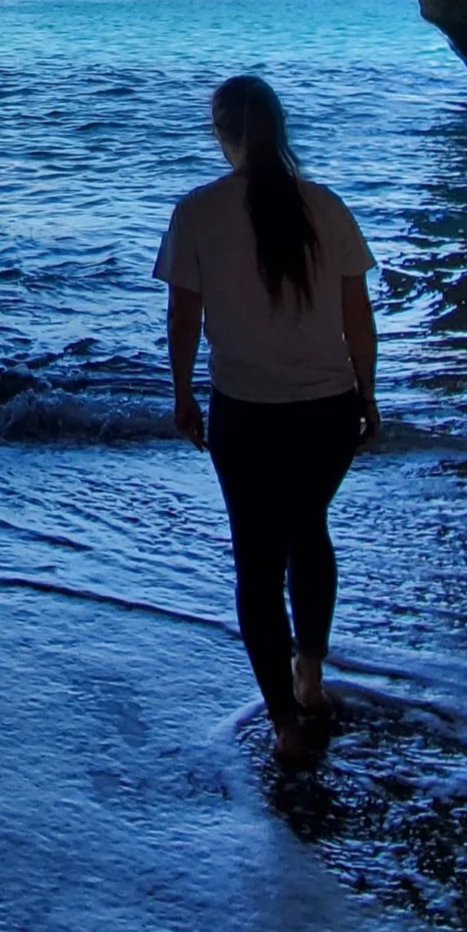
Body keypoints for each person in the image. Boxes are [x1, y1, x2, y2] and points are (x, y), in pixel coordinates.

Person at [154, 74, 379, 767]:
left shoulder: (197, 212)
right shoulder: (326, 208)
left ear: (219, 133)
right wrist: (366, 397)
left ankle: (284, 723)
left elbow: (184, 317)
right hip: (327, 410)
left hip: (245, 414)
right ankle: (308, 678)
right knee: (307, 530)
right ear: (279, 130)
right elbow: (356, 319)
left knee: (257, 560)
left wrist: (182, 395)